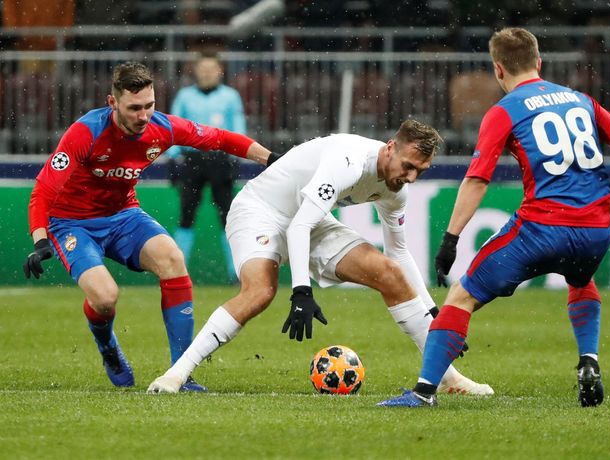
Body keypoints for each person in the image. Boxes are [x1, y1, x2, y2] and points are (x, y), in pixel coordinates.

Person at [378, 27, 610, 408]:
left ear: (498, 70)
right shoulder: (581, 100)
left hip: (542, 229)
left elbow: (477, 180)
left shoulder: (504, 111)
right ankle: (588, 360)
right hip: (594, 230)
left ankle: (424, 392)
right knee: (581, 279)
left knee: (461, 297)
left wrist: (451, 239)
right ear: (539, 63)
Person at [147, 119, 493, 396]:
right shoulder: (348, 161)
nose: (412, 177)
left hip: (311, 219)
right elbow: (298, 226)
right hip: (261, 210)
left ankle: (448, 378)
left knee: (388, 273)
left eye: (421, 171)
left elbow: (398, 252)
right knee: (260, 292)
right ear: (390, 147)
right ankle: (177, 374)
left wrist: (433, 312)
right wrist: (301, 292)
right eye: (408, 166)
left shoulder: (395, 189)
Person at [23, 61, 279, 391]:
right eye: (134, 108)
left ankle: (180, 372)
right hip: (73, 224)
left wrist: (270, 158)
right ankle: (108, 347)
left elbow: (219, 138)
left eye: (149, 105)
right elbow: (44, 189)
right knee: (105, 297)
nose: (144, 116)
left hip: (123, 215)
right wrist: (40, 240)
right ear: (112, 103)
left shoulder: (163, 128)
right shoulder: (85, 132)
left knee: (172, 258)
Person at [166, 53, 247, 282]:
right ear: (196, 71)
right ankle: (176, 272)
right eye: (203, 68)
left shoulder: (230, 97)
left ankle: (236, 272)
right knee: (186, 215)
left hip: (220, 160)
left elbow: (238, 125)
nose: (207, 73)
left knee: (228, 218)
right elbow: (174, 126)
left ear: (219, 71)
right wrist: (173, 157)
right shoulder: (185, 96)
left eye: (211, 68)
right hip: (192, 160)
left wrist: (236, 155)